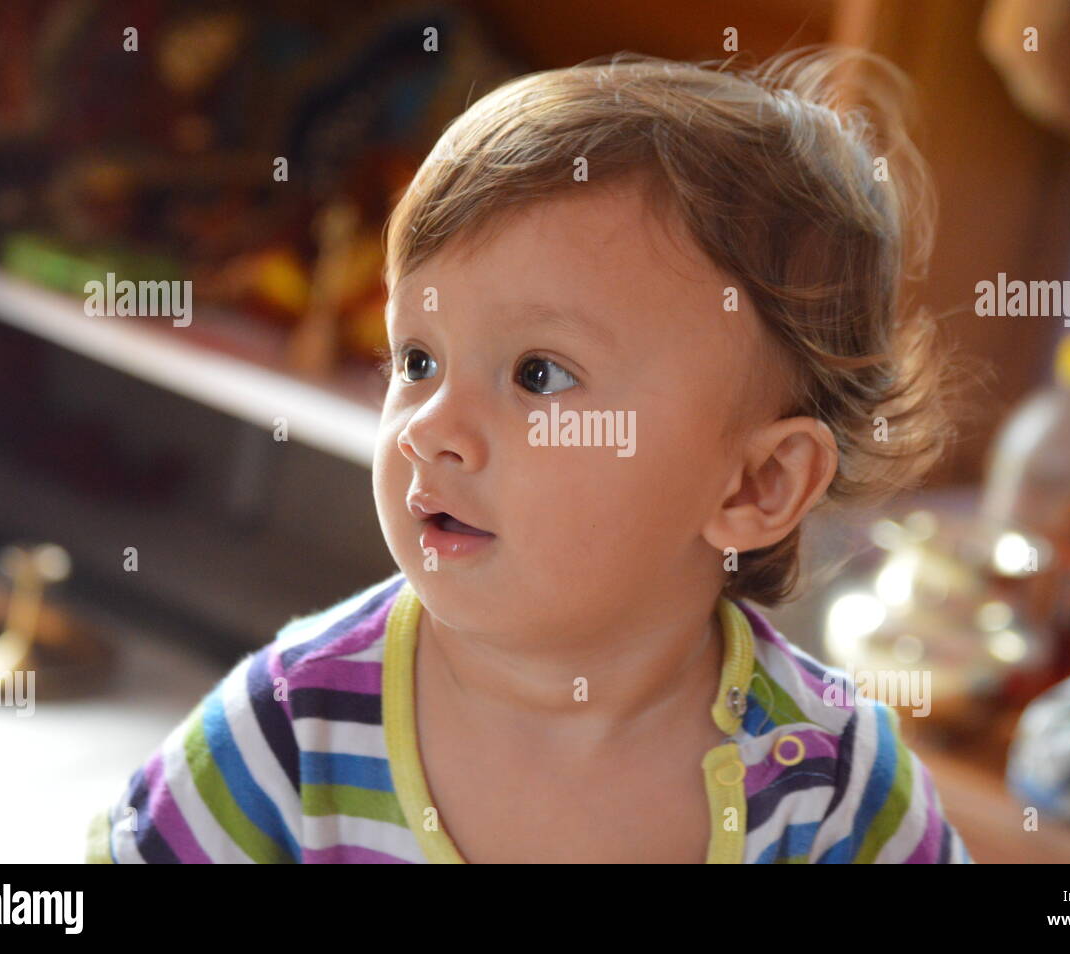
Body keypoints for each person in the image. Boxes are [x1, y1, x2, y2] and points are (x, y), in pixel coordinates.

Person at [87, 46, 971, 864]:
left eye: (538, 375)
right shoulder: (289, 731)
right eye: (417, 360)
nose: (429, 426)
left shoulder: (833, 787)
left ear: (757, 483)